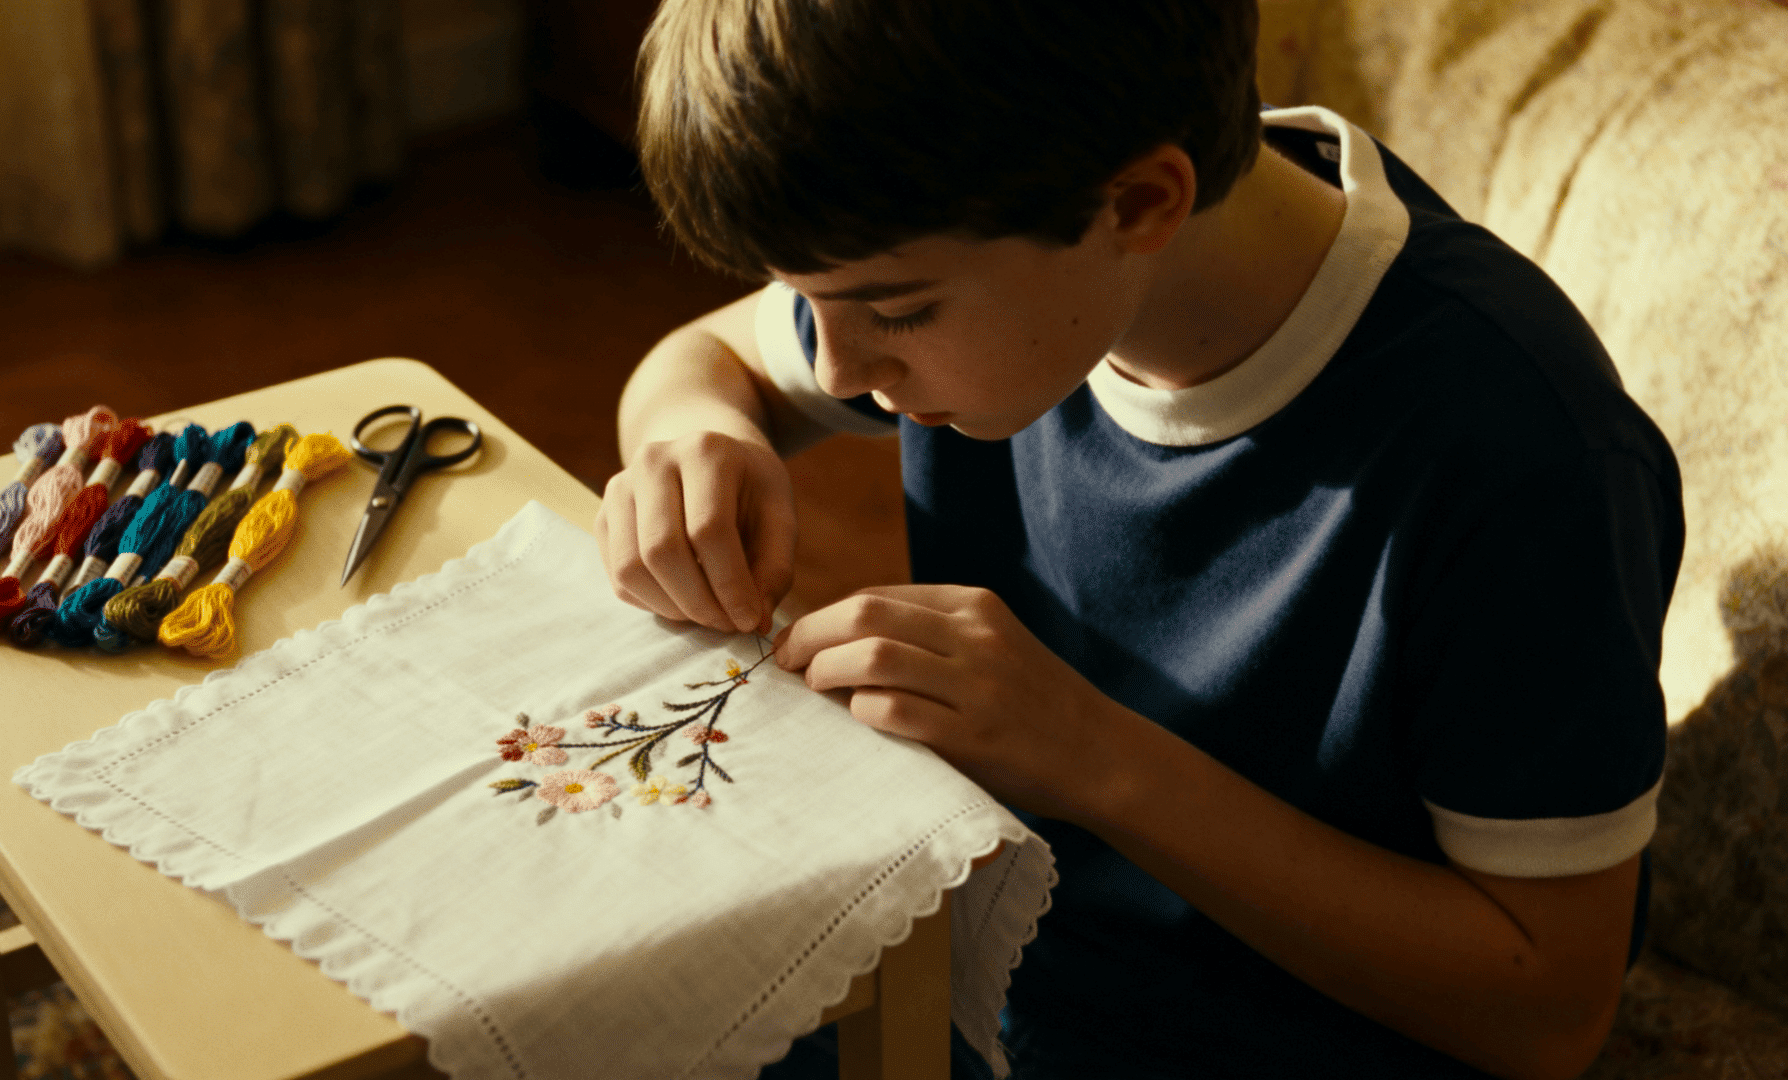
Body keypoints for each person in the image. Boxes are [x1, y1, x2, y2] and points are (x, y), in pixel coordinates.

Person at [594, 0, 1684, 1076]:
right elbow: (705, 362)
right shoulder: (1016, 235)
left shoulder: (1517, 450)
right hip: (984, 963)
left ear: (1141, 202)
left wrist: (1089, 755)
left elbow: (1549, 1009)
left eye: (898, 313)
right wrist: (694, 435)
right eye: (803, 298)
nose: (835, 371)